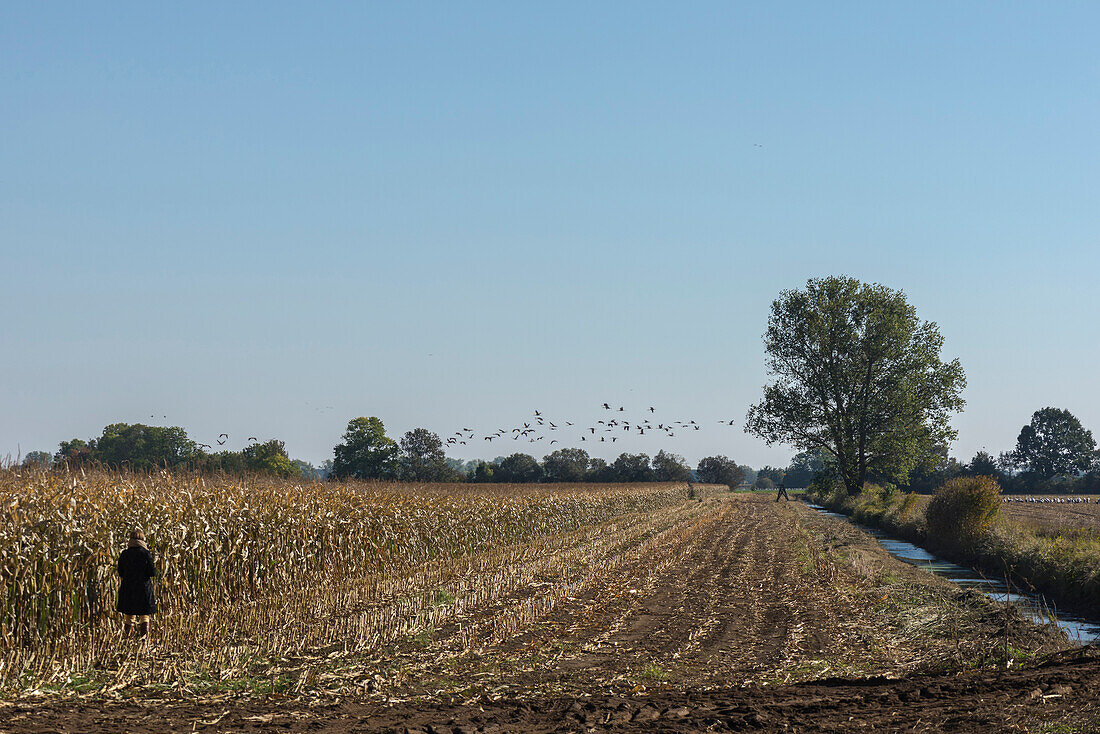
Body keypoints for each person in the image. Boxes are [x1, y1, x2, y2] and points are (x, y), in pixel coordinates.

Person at [117, 529, 157, 638]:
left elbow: (120, 572)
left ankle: (126, 641)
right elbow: (152, 572)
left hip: (128, 588)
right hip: (143, 589)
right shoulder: (145, 553)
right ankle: (144, 641)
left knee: (129, 616)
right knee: (144, 615)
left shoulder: (125, 554)